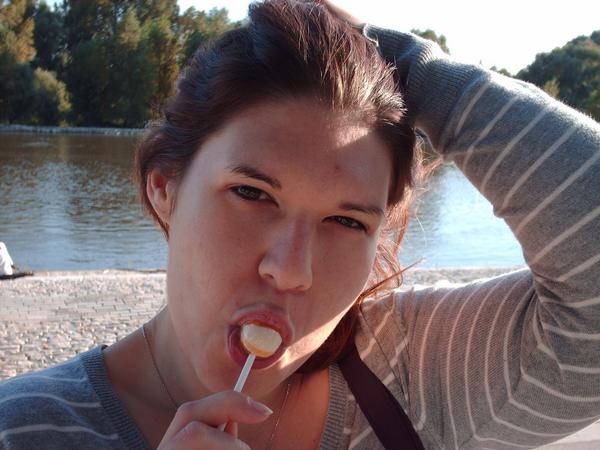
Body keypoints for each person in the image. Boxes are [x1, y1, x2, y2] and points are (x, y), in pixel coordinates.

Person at [1, 0, 599, 448]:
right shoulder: (24, 429)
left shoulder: (411, 376)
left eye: (346, 220)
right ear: (165, 189)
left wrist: (399, 61)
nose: (290, 270)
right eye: (251, 193)